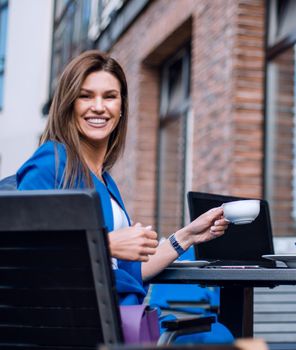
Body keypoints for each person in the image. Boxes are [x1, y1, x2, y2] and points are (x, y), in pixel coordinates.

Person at [16, 50, 232, 342]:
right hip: (78, 327)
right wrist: (106, 244)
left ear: (121, 108)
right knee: (219, 338)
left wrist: (189, 236)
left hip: (122, 321)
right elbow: (21, 254)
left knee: (219, 334)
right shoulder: (52, 161)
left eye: (109, 96)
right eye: (85, 96)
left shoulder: (105, 181)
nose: (98, 107)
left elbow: (132, 269)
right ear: (68, 104)